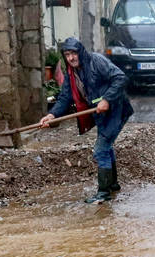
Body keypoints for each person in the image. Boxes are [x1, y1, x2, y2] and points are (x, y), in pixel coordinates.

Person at [40, 37, 134, 203]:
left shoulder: (96, 61)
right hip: (101, 114)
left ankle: (103, 194)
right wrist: (52, 115)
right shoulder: (71, 72)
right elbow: (64, 97)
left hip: (116, 110)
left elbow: (120, 78)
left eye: (73, 53)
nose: (71, 58)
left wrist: (107, 99)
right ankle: (112, 185)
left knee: (100, 149)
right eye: (67, 54)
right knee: (106, 146)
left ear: (80, 52)